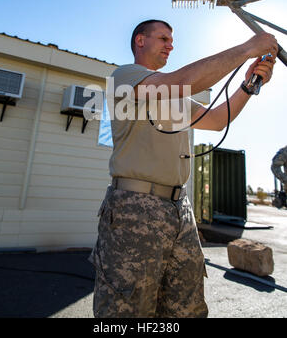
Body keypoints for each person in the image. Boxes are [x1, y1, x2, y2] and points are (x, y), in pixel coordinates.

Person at [89, 19, 278, 318]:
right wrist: (247, 48)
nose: (170, 44)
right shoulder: (125, 76)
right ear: (140, 41)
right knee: (128, 310)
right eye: (163, 38)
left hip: (180, 209)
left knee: (186, 307)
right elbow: (178, 81)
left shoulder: (176, 96)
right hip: (135, 207)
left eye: (171, 39)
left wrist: (248, 85)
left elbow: (218, 120)